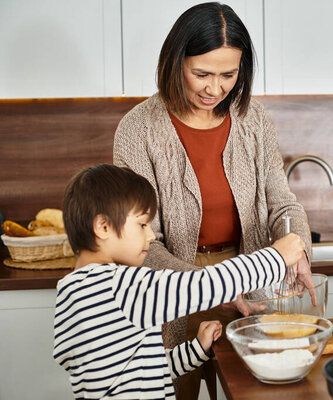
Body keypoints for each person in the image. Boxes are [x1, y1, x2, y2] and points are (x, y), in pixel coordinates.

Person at [112, 3, 314, 398]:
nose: (214, 88)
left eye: (228, 74)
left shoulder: (253, 119)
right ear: (175, 63)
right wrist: (213, 285)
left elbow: (282, 203)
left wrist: (298, 248)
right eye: (201, 73)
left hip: (251, 284)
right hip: (172, 289)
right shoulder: (138, 129)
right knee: (177, 389)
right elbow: (142, 242)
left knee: (257, 391)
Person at [53, 164, 307, 399]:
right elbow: (205, 285)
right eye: (142, 224)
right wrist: (277, 256)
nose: (150, 235)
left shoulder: (73, 293)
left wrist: (195, 350)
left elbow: (141, 369)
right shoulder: (119, 287)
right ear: (103, 227)